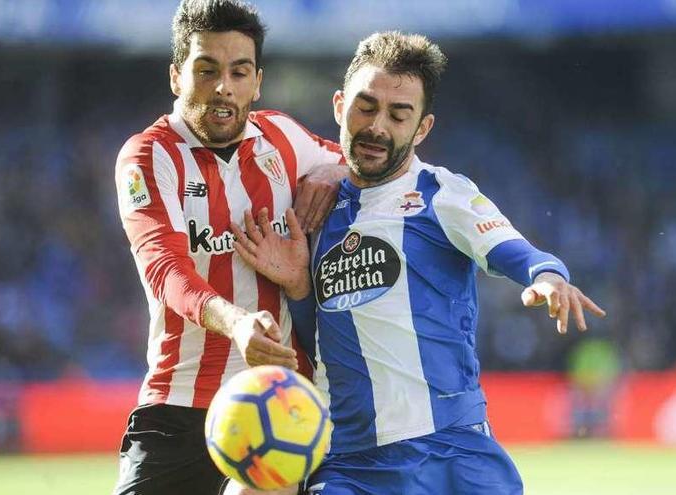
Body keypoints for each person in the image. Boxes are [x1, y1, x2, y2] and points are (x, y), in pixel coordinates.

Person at [231, 32, 606, 494]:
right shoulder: (314, 212)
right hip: (352, 462)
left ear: (422, 128)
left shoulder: (441, 194)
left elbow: (516, 251)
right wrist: (298, 289)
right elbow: (325, 341)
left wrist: (548, 277)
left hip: (452, 448)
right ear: (338, 106)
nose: (377, 127)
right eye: (365, 107)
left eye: (398, 114)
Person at [111, 1, 345, 494]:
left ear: (257, 82)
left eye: (239, 72)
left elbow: (368, 168)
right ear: (177, 77)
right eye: (206, 70)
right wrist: (236, 321)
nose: (224, 87)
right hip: (179, 403)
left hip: (278, 403)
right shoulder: (148, 156)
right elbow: (164, 266)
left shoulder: (282, 137)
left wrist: (332, 169)